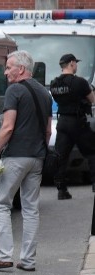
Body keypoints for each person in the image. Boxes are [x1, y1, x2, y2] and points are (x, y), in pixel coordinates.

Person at [0, 51, 52, 273]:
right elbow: (48, 131)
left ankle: (4, 256)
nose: (5, 72)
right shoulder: (45, 93)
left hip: (15, 157)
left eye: (9, 67)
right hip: (37, 157)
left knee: (1, 204)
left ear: (21, 69)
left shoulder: (14, 90)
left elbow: (8, 127)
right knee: (31, 209)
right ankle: (28, 260)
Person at [49, 53, 95, 199]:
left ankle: (61, 190)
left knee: (61, 156)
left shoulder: (54, 84)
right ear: (72, 63)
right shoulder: (80, 82)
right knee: (92, 152)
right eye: (76, 63)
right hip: (78, 122)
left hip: (62, 122)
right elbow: (92, 99)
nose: (76, 66)